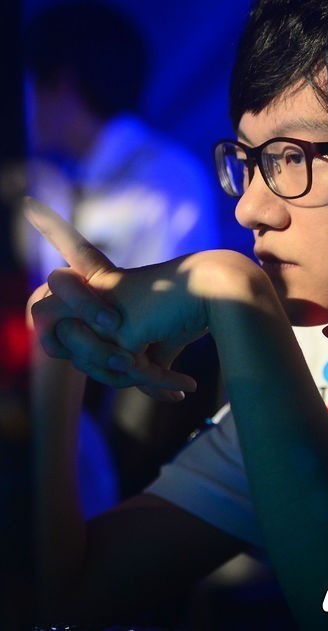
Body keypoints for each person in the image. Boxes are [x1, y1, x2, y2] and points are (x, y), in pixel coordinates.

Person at [27, 0, 328, 629]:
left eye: (291, 156)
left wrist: (231, 288)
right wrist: (61, 345)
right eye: (250, 162)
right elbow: (67, 594)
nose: (249, 208)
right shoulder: (318, 366)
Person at [21, 1, 222, 507]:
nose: (25, 105)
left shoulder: (166, 179)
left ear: (63, 84)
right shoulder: (53, 179)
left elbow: (172, 330)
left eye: (31, 85)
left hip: (137, 428)